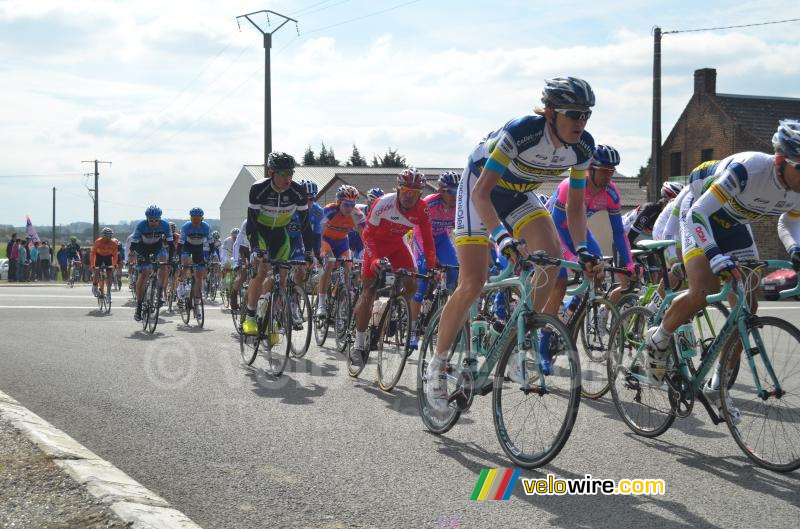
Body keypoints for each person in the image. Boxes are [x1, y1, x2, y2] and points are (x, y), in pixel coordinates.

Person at [425, 76, 597, 410]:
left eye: (586, 115)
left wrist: (585, 250)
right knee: (473, 283)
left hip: (518, 196)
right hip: (480, 189)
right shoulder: (522, 132)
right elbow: (481, 193)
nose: (581, 122)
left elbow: (576, 208)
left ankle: (514, 349)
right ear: (550, 113)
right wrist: (502, 238)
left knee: (550, 262)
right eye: (573, 114)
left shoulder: (583, 148)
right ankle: (438, 365)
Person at [644, 120, 800, 423]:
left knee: (747, 306)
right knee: (701, 292)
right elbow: (698, 213)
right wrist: (714, 255)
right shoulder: (748, 170)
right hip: (701, 215)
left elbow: (789, 221)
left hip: (736, 225)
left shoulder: (795, 185)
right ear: (781, 160)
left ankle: (719, 385)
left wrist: (794, 249)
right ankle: (659, 337)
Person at [544, 145, 636, 343]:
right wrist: (572, 256)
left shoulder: (611, 193)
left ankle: (569, 312)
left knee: (598, 268)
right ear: (590, 169)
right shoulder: (570, 185)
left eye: (611, 171)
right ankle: (545, 337)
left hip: (579, 231)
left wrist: (629, 266)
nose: (608, 176)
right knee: (559, 282)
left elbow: (619, 233)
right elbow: (557, 226)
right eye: (604, 171)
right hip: (554, 229)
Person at [349, 168, 436, 366]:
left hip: (397, 245)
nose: (409, 197)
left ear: (420, 194)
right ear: (398, 189)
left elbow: (429, 240)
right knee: (369, 291)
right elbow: (368, 234)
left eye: (414, 193)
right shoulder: (383, 204)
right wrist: (373, 260)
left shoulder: (422, 210)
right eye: (406, 191)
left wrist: (431, 268)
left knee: (413, 284)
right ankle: (359, 344)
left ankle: (394, 309)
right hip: (376, 246)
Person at [243, 152, 313, 336]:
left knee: (282, 279)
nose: (287, 178)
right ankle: (250, 316)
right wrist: (255, 247)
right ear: (271, 172)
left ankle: (273, 318)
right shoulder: (259, 189)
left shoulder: (298, 192)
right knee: (262, 269)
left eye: (290, 173)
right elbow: (251, 222)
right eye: (282, 173)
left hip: (281, 234)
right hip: (261, 232)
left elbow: (306, 226)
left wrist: (310, 252)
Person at [408, 171, 460, 349]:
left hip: (441, 239)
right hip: (422, 237)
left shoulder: (458, 207)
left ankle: (438, 298)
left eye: (457, 192)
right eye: (450, 192)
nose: (454, 196)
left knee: (453, 269)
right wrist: (432, 258)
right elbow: (420, 230)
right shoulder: (429, 203)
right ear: (441, 190)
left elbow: (461, 233)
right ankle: (412, 331)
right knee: (421, 283)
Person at [315, 185, 366, 317]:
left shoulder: (358, 214)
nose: (349, 208)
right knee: (330, 264)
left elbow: (365, 237)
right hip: (326, 240)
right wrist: (319, 252)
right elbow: (319, 234)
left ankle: (342, 299)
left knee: (348, 268)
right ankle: (321, 304)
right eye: (346, 204)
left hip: (342, 242)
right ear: (338, 202)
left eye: (352, 204)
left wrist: (368, 254)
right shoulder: (328, 211)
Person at [130, 205, 174, 321]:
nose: (154, 223)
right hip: (142, 247)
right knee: (144, 273)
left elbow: (171, 244)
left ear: (160, 219)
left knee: (164, 265)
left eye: (156, 220)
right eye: (151, 220)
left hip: (157, 247)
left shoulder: (165, 225)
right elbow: (133, 245)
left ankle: (159, 291)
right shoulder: (141, 225)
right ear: (147, 219)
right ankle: (139, 306)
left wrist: (171, 260)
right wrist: (136, 255)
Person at [177, 208, 212, 302]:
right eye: (193, 219)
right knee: (185, 264)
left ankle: (197, 302)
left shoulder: (206, 227)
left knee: (199, 276)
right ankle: (180, 285)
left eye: (198, 219)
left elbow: (211, 243)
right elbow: (180, 244)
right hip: (187, 246)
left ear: (202, 219)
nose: (196, 221)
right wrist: (178, 257)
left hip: (198, 248)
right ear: (190, 219)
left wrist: (211, 256)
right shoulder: (186, 227)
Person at [90, 227, 119, 297]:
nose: (108, 238)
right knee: (97, 271)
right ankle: (94, 286)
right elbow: (93, 253)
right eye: (106, 236)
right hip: (99, 256)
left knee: (109, 273)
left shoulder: (114, 243)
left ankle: (108, 290)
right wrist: (92, 265)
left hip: (108, 256)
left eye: (109, 236)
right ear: (103, 236)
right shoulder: (98, 242)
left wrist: (114, 264)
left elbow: (115, 255)